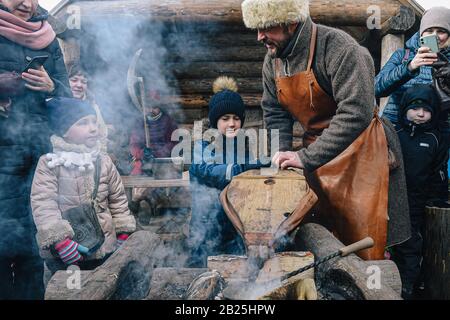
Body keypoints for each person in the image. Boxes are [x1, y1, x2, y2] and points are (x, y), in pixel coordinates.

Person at [241, 0, 410, 259]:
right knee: (320, 237)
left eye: (266, 27)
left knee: (365, 241)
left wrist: (305, 157)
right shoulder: (271, 61)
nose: (259, 36)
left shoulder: (339, 48)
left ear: (291, 22)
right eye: (257, 28)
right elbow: (274, 112)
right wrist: (282, 153)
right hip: (317, 155)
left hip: (362, 153)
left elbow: (356, 113)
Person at [0, 0, 71, 299]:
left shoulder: (47, 36)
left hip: (37, 161)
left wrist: (52, 86)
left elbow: (70, 106)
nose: (26, 3)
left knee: (33, 248)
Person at [30, 97, 136, 275]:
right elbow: (44, 204)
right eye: (83, 123)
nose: (93, 128)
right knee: (68, 291)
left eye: (94, 121)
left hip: (105, 249)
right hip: (66, 253)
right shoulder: (50, 163)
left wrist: (123, 231)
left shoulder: (104, 161)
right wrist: (60, 241)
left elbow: (117, 199)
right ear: (64, 131)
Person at [187, 76, 264, 267]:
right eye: (225, 118)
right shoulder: (201, 147)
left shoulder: (242, 148)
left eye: (236, 118)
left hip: (235, 225)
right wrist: (245, 168)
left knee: (236, 273)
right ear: (215, 121)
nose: (232, 123)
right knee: (203, 273)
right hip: (206, 227)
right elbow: (209, 170)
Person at [376, 7, 450, 204]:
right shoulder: (404, 56)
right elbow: (376, 87)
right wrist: (410, 68)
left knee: (430, 199)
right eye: (429, 31)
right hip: (395, 135)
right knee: (392, 194)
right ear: (420, 32)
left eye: (441, 31)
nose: (435, 36)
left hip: (436, 142)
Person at [392, 85, 448, 299]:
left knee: (412, 247)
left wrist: (435, 198)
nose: (421, 113)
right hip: (393, 200)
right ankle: (389, 285)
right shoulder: (396, 134)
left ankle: (408, 288)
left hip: (419, 203)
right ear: (405, 108)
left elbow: (438, 172)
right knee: (392, 246)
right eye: (415, 108)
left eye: (426, 109)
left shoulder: (435, 139)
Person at [129, 90, 179, 176]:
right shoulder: (140, 122)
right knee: (137, 179)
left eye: (154, 107)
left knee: (167, 178)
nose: (151, 110)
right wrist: (142, 154)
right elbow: (134, 143)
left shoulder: (168, 121)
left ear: (160, 108)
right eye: (148, 107)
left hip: (163, 161)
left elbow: (174, 143)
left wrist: (158, 153)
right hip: (143, 162)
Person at [68, 64, 110, 153]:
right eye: (74, 80)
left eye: (83, 82)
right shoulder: (57, 105)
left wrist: (101, 157)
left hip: (90, 156)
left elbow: (102, 135)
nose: (79, 85)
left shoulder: (93, 106)